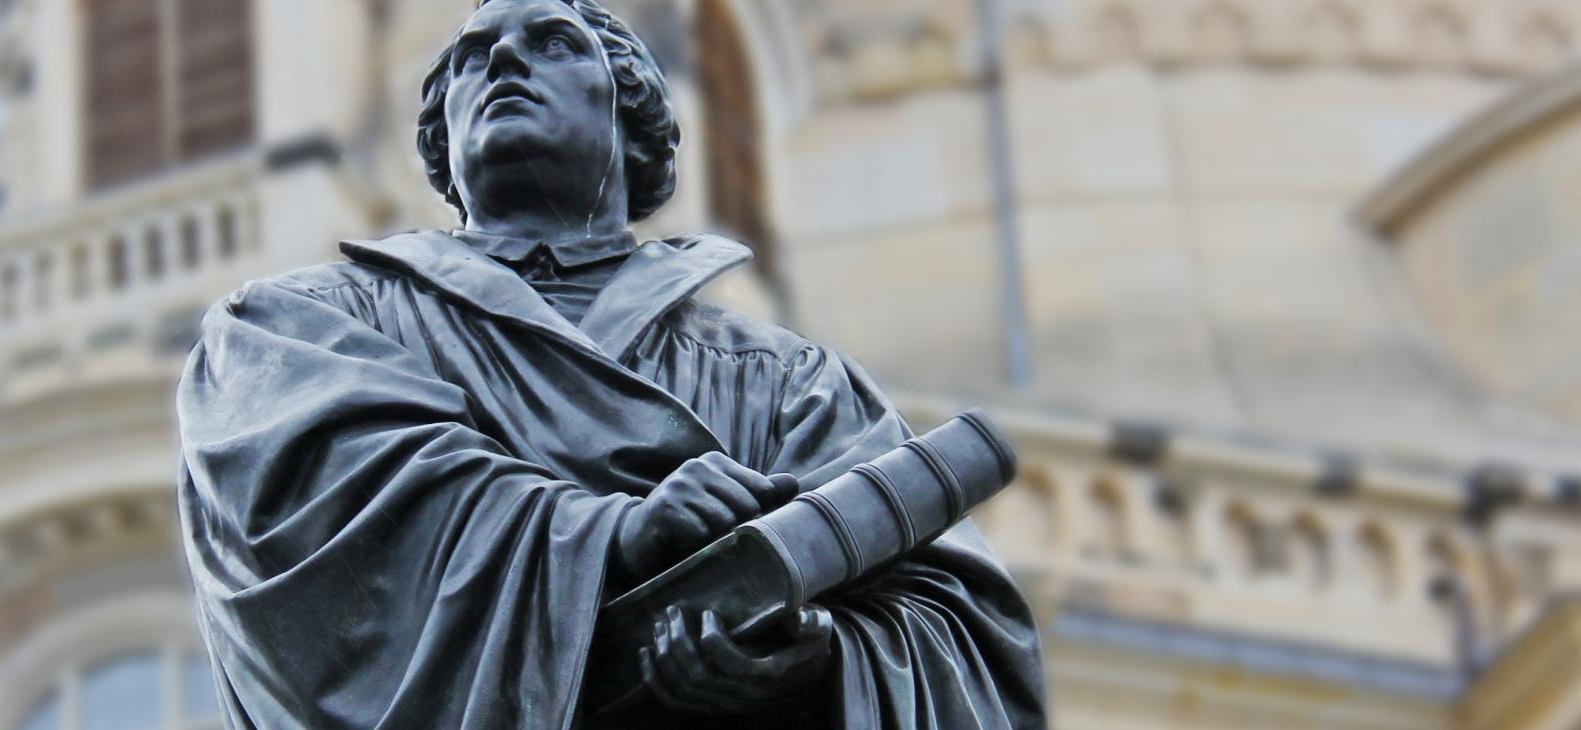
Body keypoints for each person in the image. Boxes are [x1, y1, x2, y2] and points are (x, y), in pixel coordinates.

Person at [174, 0, 1043, 726]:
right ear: (443, 138)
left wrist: (813, 661)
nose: (502, 60)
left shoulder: (791, 381)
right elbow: (328, 508)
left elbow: (963, 637)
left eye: (553, 43)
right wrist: (611, 535)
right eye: (472, 58)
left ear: (634, 118)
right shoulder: (290, 329)